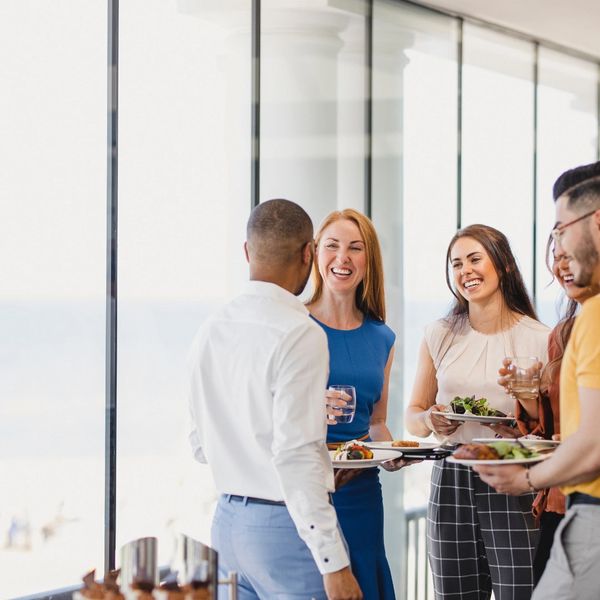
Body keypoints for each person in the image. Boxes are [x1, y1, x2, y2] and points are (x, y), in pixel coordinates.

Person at [187, 199, 362, 600]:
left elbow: (199, 444)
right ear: (309, 253)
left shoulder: (211, 328)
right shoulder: (300, 333)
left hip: (227, 528)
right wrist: (334, 563)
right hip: (287, 529)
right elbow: (295, 454)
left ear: (247, 252)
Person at [405, 224, 550, 600]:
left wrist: (524, 407)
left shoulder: (540, 337)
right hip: (451, 474)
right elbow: (414, 415)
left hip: (512, 473)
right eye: (456, 264)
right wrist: (430, 419)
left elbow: (550, 428)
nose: (465, 271)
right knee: (454, 594)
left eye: (474, 259)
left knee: (518, 592)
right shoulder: (439, 333)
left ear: (501, 265)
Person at [474, 177, 600, 600]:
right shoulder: (576, 325)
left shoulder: (594, 318)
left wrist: (527, 478)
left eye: (562, 229)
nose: (558, 249)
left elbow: (595, 444)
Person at [306, 209, 398, 600]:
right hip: (308, 491)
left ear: (368, 260)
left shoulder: (383, 336)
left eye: (355, 248)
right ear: (315, 254)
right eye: (332, 246)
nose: (342, 258)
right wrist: (310, 405)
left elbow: (377, 422)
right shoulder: (295, 326)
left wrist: (393, 454)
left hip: (361, 493)